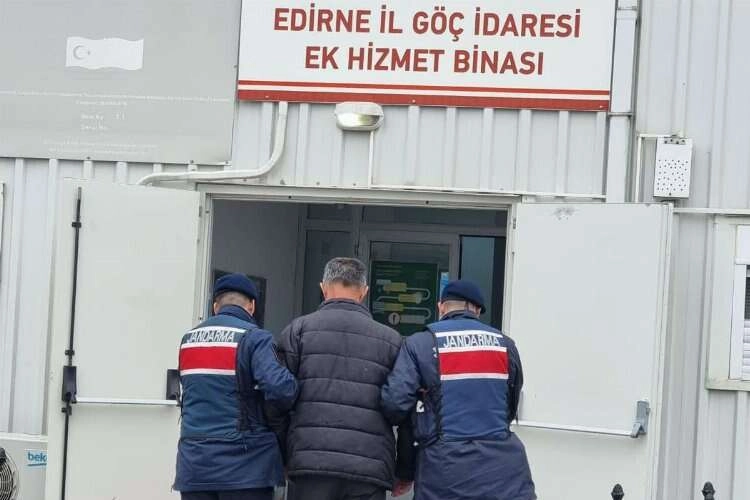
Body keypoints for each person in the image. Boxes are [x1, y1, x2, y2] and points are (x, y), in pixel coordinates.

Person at [272, 257, 414, 500]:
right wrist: (405, 470)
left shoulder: (298, 331)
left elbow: (277, 400)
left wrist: (284, 456)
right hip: (368, 469)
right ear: (364, 292)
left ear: (323, 287)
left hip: (310, 465)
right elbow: (402, 407)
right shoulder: (391, 340)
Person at [381, 280, 536, 500]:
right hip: (507, 475)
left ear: (440, 307)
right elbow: (509, 407)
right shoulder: (505, 345)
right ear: (477, 310)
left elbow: (394, 404)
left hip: (445, 473)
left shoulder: (420, 344)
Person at [174, 273, 298, 500]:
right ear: (251, 306)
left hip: (194, 466)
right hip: (244, 468)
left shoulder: (188, 341)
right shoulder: (255, 338)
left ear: (215, 306)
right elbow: (281, 389)